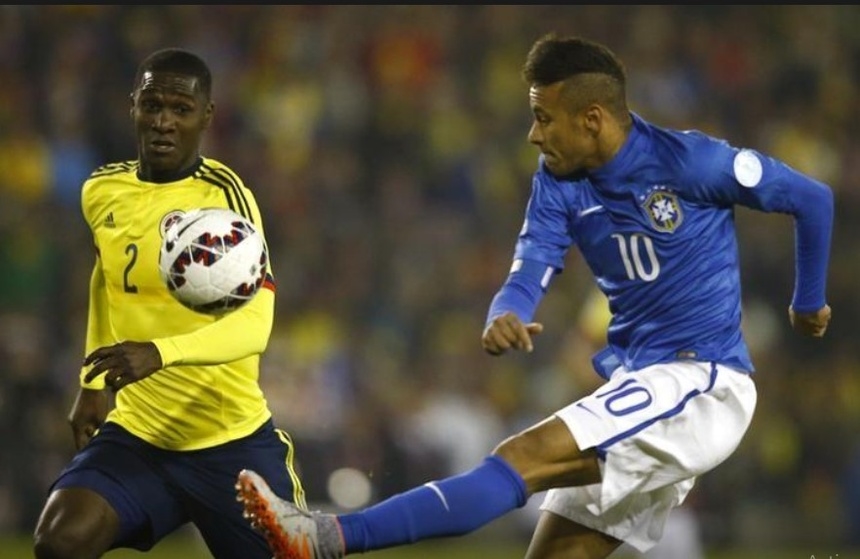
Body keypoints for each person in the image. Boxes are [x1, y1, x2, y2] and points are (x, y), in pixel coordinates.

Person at [234, 33, 834, 559]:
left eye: (544, 118)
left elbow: (812, 198)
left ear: (592, 119)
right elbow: (532, 265)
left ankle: (328, 537)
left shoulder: (691, 162)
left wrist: (807, 303)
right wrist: (507, 312)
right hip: (641, 384)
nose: (532, 134)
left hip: (702, 382)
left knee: (523, 456)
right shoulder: (558, 183)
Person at [32, 48, 306, 559]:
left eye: (181, 109)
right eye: (152, 105)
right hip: (140, 437)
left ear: (207, 116)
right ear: (132, 106)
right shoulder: (102, 190)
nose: (163, 122)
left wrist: (159, 353)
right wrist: (92, 382)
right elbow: (105, 278)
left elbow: (256, 324)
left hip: (231, 442)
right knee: (60, 541)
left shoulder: (227, 199)